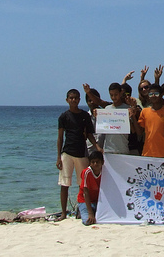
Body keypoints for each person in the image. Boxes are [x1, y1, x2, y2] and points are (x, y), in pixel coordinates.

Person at [57, 88, 102, 220]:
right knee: (64, 184)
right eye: (71, 98)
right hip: (67, 153)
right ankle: (64, 213)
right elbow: (60, 138)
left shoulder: (84, 116)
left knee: (82, 185)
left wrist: (97, 146)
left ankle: (79, 209)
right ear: (67, 100)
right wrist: (58, 157)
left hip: (82, 153)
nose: (74, 100)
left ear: (79, 100)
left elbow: (89, 134)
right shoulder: (63, 116)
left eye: (76, 98)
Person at [130, 84, 164, 157]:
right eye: (151, 94)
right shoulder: (144, 111)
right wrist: (133, 117)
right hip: (148, 152)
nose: (153, 96)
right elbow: (139, 132)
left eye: (156, 94)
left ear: (161, 94)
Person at [102, 82, 133, 155]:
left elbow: (131, 129)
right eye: (111, 95)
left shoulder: (127, 109)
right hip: (108, 149)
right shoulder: (107, 109)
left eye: (115, 94)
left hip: (122, 148)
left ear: (121, 93)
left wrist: (131, 116)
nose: (113, 97)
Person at [77, 150, 104, 225]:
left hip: (97, 201)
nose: (95, 164)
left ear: (102, 162)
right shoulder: (87, 172)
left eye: (97, 162)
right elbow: (85, 192)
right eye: (93, 162)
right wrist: (90, 213)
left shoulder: (104, 171)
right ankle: (81, 210)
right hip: (84, 201)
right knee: (88, 221)